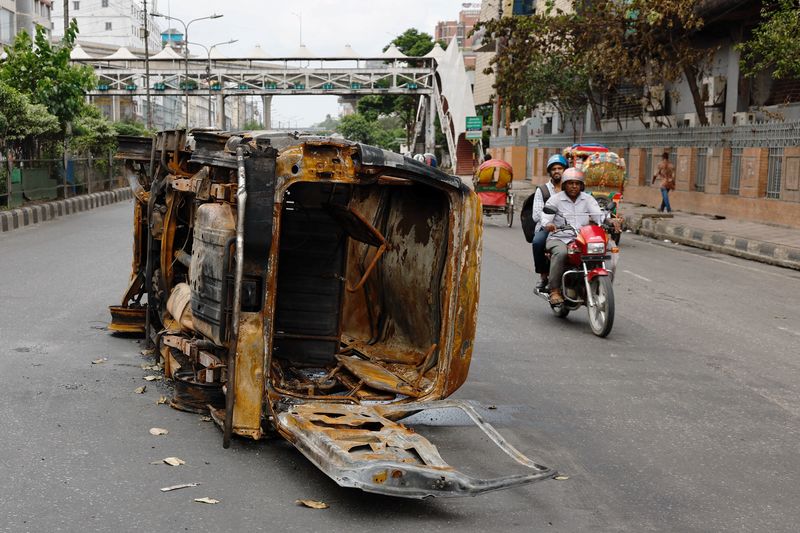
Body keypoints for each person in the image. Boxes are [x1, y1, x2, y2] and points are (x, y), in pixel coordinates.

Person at [540, 168, 604, 305]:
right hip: (559, 238)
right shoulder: (555, 199)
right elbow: (545, 216)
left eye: (577, 183)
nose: (574, 186)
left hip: (582, 238)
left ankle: (597, 285)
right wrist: (548, 224)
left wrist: (609, 221)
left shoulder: (588, 199)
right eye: (570, 183)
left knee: (605, 250)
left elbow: (598, 215)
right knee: (561, 252)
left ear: (582, 185)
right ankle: (554, 290)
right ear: (564, 184)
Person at [531, 154, 567, 290]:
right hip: (547, 228)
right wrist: (549, 223)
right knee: (538, 242)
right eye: (554, 169)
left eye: (560, 168)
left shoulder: (571, 187)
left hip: (568, 227)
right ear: (550, 172)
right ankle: (543, 275)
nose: (557, 171)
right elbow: (536, 215)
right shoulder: (543, 190)